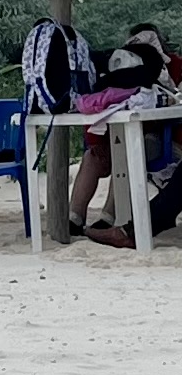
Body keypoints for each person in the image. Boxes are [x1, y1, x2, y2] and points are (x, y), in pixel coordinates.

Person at [68, 40, 170, 235]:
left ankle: (109, 216)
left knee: (126, 154)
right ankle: (75, 216)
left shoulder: (153, 90)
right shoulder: (108, 90)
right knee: (91, 158)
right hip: (112, 141)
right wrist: (96, 143)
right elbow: (93, 117)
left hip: (149, 140)